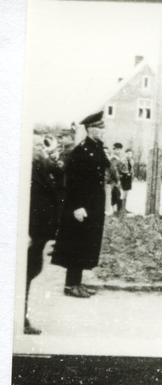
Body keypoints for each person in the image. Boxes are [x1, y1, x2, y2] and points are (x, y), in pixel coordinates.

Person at [52, 111, 111, 298]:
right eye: (100, 128)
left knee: (85, 243)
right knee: (77, 243)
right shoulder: (81, 150)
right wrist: (78, 206)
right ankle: (70, 285)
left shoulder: (96, 148)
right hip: (82, 205)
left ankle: (77, 282)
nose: (103, 131)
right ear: (91, 129)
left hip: (92, 204)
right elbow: (74, 181)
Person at [25, 135, 61, 334]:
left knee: (30, 273)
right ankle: (19, 320)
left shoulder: (39, 165)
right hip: (30, 231)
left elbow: (58, 171)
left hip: (38, 232)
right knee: (24, 276)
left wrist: (50, 155)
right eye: (38, 145)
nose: (42, 148)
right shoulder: (28, 168)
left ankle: (21, 318)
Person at [103, 145, 120, 215]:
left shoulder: (109, 163)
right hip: (100, 183)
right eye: (104, 153)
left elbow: (114, 173)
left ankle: (108, 211)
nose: (105, 154)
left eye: (107, 153)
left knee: (109, 196)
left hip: (107, 182)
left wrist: (115, 182)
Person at [120, 148, 134, 213]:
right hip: (123, 177)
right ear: (125, 154)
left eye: (130, 153)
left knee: (126, 194)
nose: (129, 155)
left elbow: (132, 170)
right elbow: (119, 169)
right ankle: (121, 208)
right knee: (122, 193)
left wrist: (131, 177)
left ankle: (124, 208)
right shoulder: (122, 160)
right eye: (128, 153)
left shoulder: (132, 161)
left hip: (128, 178)